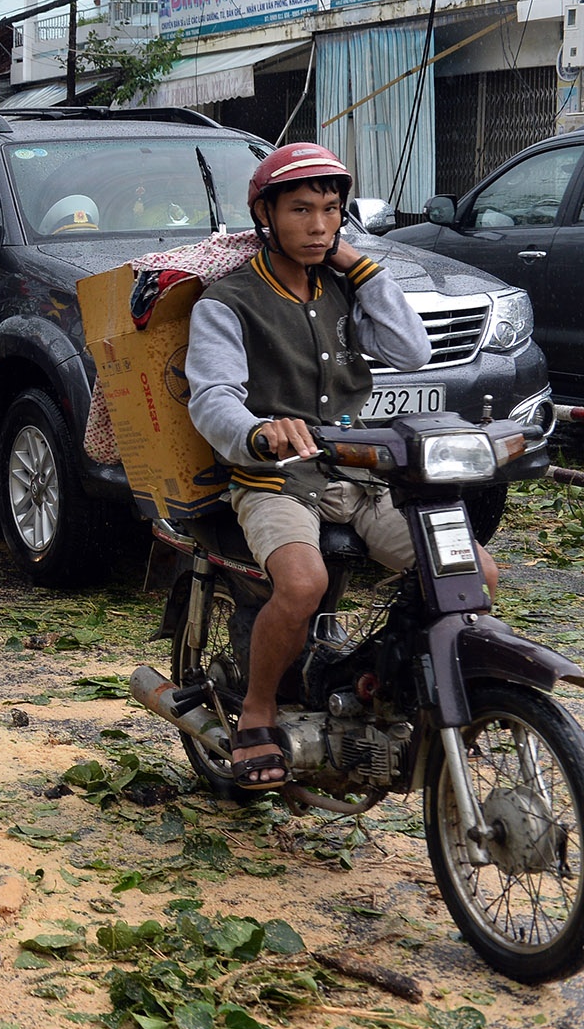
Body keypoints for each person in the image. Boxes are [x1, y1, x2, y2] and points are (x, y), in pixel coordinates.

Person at [184, 142, 496, 790]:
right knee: (301, 585)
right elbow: (212, 398)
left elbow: (411, 349)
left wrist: (361, 268)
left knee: (473, 571)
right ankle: (259, 711)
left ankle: (379, 682)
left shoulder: (341, 286)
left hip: (360, 473)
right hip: (275, 478)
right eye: (301, 210)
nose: (319, 226)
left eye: (331, 211)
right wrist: (259, 434)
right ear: (265, 214)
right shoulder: (228, 301)